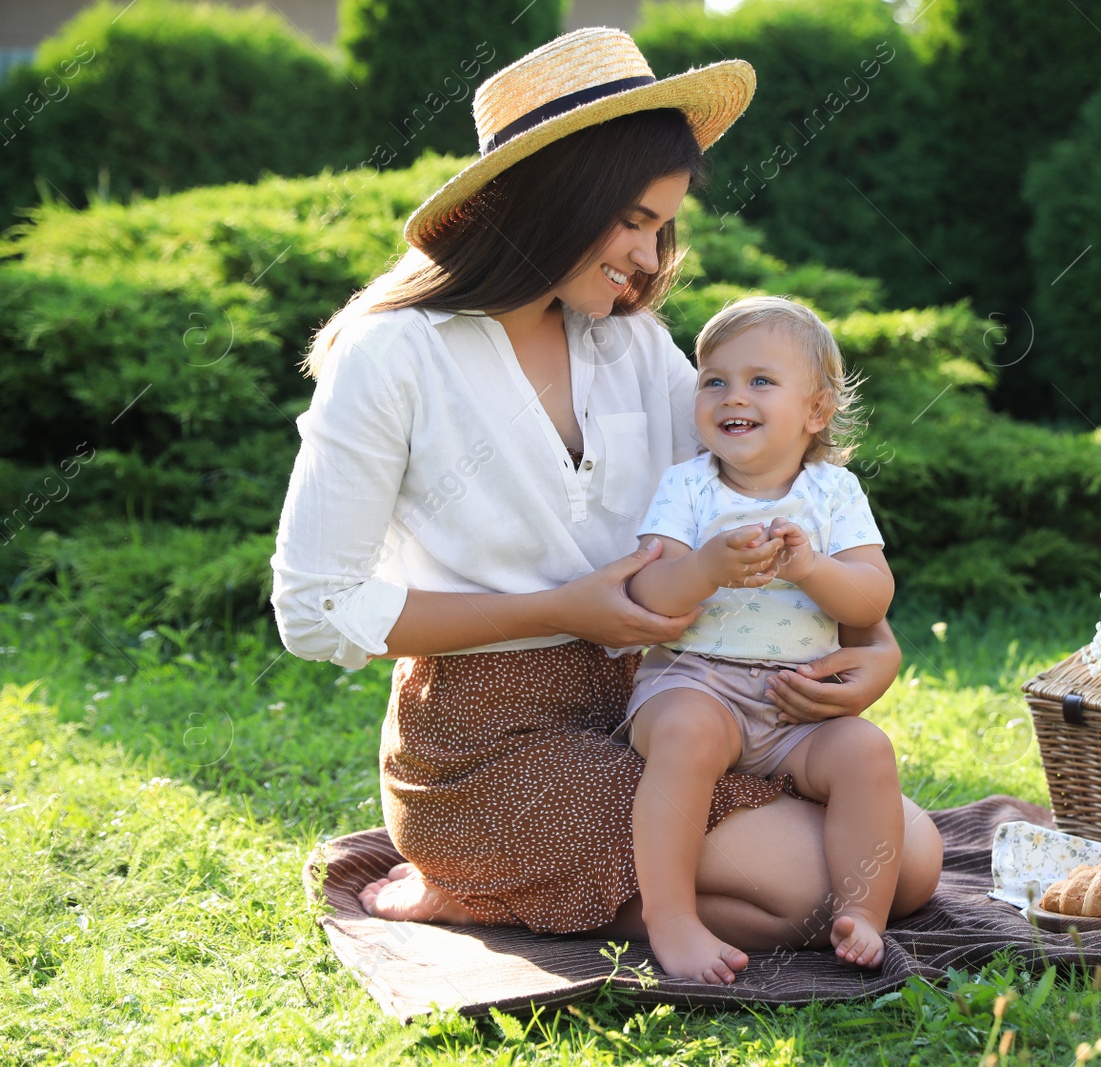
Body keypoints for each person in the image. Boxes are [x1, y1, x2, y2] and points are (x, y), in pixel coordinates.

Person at [268, 28, 942, 973]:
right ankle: (475, 879)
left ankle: (545, 891)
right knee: (807, 887)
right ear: (555, 193)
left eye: (661, 225)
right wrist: (557, 609)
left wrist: (875, 648)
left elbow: (742, 507)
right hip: (486, 740)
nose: (646, 253)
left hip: (662, 707)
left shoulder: (631, 347)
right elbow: (315, 608)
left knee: (907, 861)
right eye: (630, 217)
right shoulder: (394, 355)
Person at [618, 297, 902, 983]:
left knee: (866, 748)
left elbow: (873, 596)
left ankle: (862, 912)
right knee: (688, 732)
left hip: (795, 704)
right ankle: (673, 917)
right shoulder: (687, 488)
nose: (731, 395)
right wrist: (704, 567)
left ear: (817, 410)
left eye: (759, 381)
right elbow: (647, 597)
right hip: (693, 681)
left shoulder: (835, 494)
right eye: (714, 380)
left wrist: (812, 567)